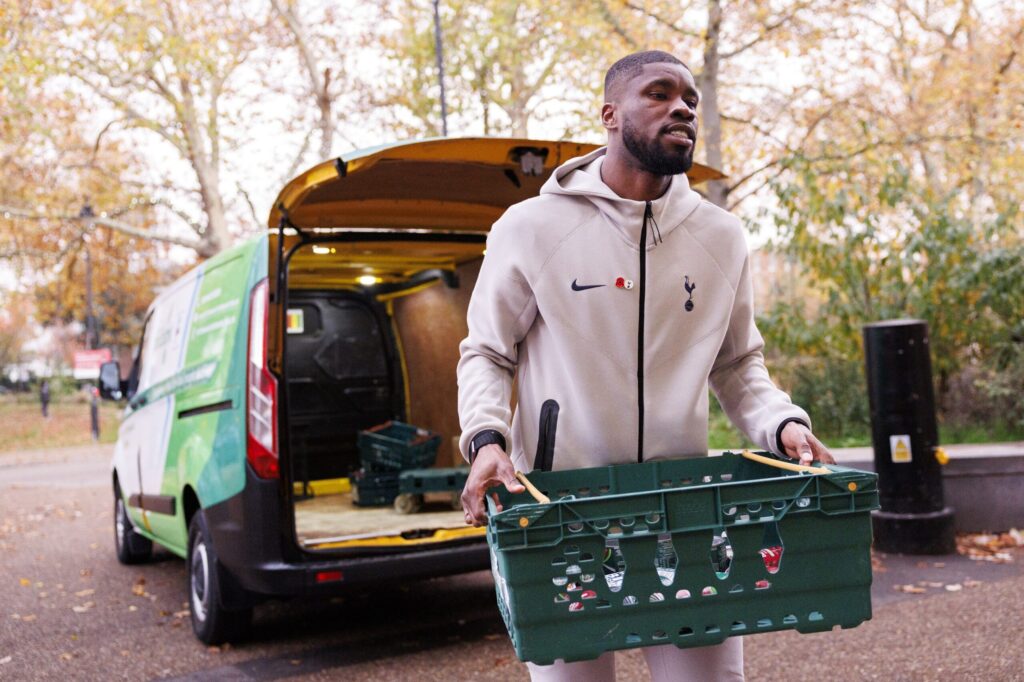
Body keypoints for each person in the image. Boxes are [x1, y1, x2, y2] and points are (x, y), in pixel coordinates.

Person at [457, 50, 835, 682]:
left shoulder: (720, 236)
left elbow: (739, 362)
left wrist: (781, 424)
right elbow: (488, 352)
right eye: (659, 94)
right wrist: (487, 441)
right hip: (559, 517)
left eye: (690, 97)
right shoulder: (529, 228)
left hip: (683, 519)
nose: (682, 106)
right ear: (609, 114)